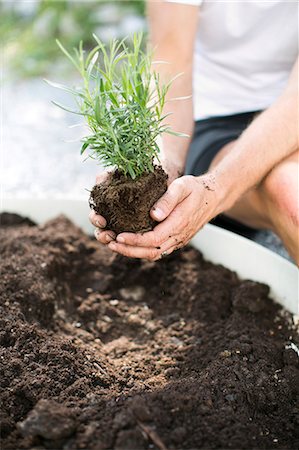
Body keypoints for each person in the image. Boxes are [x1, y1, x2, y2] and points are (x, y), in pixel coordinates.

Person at [90, 0, 299, 264]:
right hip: (217, 118)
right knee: (290, 196)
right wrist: (158, 167)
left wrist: (216, 190)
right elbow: (169, 69)